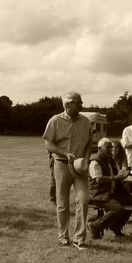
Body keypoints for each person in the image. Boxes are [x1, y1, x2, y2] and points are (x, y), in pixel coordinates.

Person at [43, 91, 93, 250]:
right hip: (62, 165)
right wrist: (64, 153)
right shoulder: (55, 120)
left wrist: (86, 157)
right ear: (67, 105)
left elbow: (90, 142)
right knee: (62, 204)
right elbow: (48, 144)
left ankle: (79, 238)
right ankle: (63, 237)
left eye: (81, 102)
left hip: (80, 166)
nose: (81, 105)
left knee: (83, 200)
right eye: (78, 103)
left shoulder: (85, 121)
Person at [87, 138, 132, 239]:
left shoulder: (110, 160)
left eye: (111, 147)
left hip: (110, 193)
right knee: (118, 209)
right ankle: (95, 226)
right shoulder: (95, 162)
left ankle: (115, 225)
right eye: (108, 147)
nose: (111, 149)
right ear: (100, 148)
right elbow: (99, 179)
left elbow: (117, 174)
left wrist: (123, 174)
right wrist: (116, 177)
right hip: (98, 194)